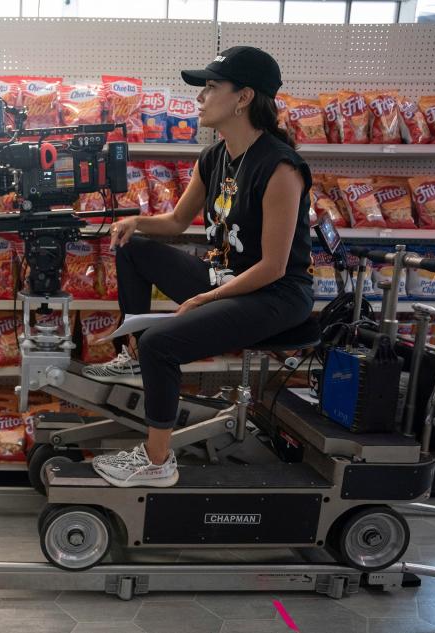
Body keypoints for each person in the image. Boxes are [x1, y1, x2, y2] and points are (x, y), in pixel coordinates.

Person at [83, 47, 314, 488]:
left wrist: (206, 298)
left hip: (276, 294)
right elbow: (174, 222)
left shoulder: (281, 167)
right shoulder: (214, 157)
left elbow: (274, 265)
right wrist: (134, 221)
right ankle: (129, 356)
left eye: (211, 87)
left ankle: (157, 461)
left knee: (162, 342)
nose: (200, 98)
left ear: (244, 97)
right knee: (134, 249)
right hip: (226, 278)